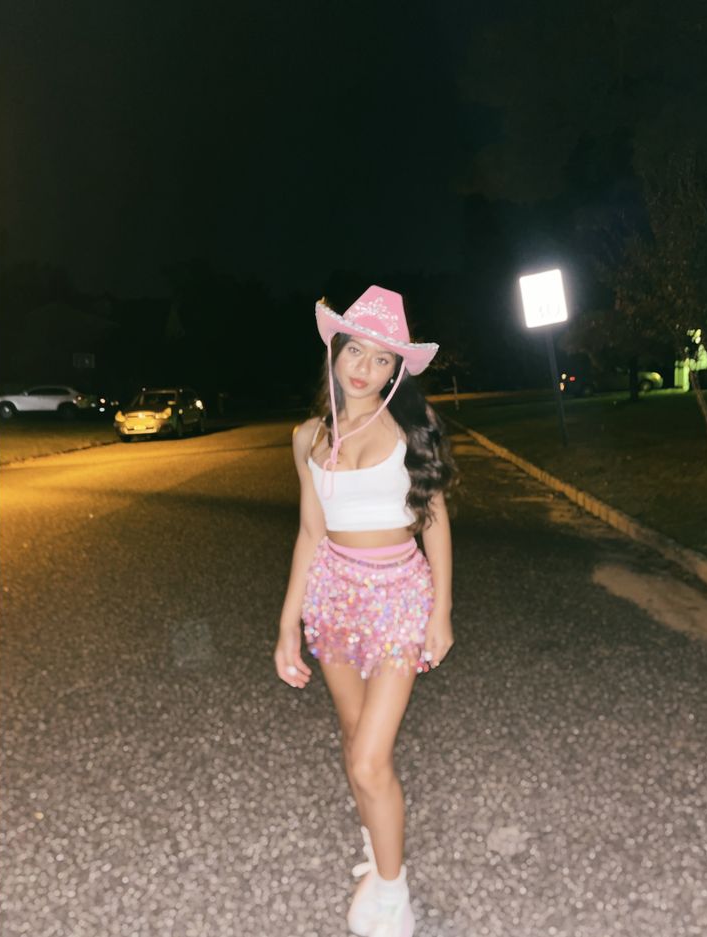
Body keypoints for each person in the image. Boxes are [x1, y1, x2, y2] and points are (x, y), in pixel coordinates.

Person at [274, 285, 456, 937]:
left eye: (382, 359)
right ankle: (375, 844)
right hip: (333, 597)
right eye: (356, 350)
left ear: (396, 369)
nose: (364, 368)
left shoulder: (409, 430)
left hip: (400, 597)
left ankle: (392, 888)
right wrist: (287, 624)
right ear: (336, 350)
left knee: (368, 760)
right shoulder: (305, 438)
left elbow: (432, 518)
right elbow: (308, 532)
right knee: (356, 741)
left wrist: (442, 611)